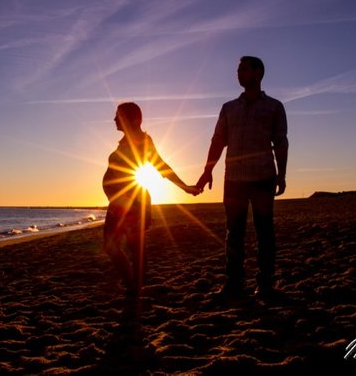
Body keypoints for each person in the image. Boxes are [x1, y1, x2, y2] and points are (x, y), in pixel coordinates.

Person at [196, 56, 288, 299]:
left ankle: (265, 284)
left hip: (263, 177)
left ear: (258, 73)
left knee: (264, 232)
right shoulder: (229, 108)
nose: (239, 73)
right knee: (233, 233)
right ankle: (234, 284)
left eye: (244, 69)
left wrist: (282, 175)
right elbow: (218, 141)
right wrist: (207, 171)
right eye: (238, 70)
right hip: (234, 179)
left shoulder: (274, 107)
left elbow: (280, 142)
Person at [103, 102, 200, 296]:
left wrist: (185, 187)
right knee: (110, 246)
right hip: (117, 203)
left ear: (133, 119)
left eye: (118, 116)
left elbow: (161, 166)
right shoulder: (123, 142)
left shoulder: (143, 141)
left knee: (134, 247)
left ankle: (135, 288)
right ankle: (132, 284)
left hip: (133, 201)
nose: (114, 119)